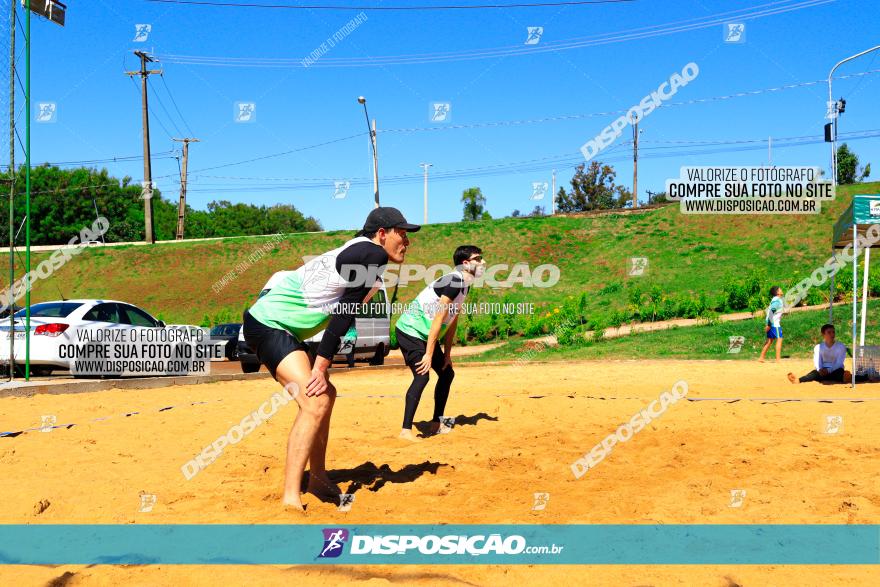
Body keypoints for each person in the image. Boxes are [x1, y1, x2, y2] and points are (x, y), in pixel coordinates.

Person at [242, 207, 419, 511]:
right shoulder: (372, 255)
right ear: (381, 234)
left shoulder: (359, 252)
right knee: (315, 401)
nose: (406, 241)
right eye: (401, 233)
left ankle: (318, 478)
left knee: (326, 395)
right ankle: (290, 496)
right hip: (269, 323)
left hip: (280, 325)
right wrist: (321, 365)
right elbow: (343, 312)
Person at [395, 245, 484, 440]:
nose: (483, 262)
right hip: (410, 331)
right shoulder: (454, 281)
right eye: (478, 259)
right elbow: (437, 319)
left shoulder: (465, 283)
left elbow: (452, 320)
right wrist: (428, 354)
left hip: (425, 335)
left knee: (447, 373)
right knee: (422, 376)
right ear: (465, 263)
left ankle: (437, 423)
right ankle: (405, 431)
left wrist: (447, 355)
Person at [759, 286, 784, 363]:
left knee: (769, 341)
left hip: (772, 323)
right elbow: (771, 313)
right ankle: (778, 360)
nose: (781, 290)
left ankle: (761, 358)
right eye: (780, 289)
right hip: (774, 324)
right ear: (777, 292)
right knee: (779, 339)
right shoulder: (777, 301)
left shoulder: (776, 300)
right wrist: (769, 325)